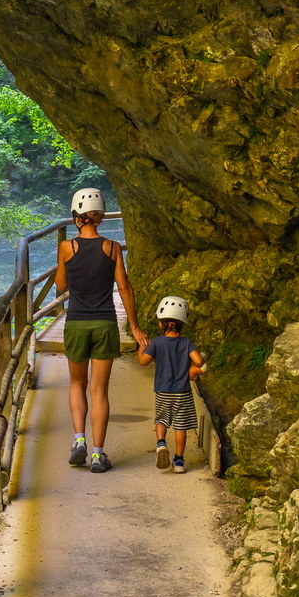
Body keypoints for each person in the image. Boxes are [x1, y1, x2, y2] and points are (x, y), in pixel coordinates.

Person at [56, 188, 147, 472]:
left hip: (76, 323)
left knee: (76, 384)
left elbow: (60, 286)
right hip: (105, 323)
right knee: (99, 391)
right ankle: (98, 455)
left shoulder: (67, 248)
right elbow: (125, 287)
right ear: (100, 217)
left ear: (76, 217)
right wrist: (134, 326)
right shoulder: (112, 248)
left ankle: (79, 441)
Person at [136, 295, 205, 474]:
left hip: (163, 391)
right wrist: (196, 366)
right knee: (180, 427)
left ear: (162, 323)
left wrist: (141, 348)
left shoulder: (157, 342)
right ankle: (179, 462)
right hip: (182, 392)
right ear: (182, 323)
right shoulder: (186, 342)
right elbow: (198, 361)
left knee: (161, 419)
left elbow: (143, 361)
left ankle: (161, 444)